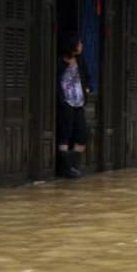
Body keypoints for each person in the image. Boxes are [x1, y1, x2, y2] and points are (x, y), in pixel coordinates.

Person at [56, 34, 91, 179]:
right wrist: (61, 99)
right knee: (65, 133)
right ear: (72, 45)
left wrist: (88, 88)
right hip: (66, 102)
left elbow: (86, 76)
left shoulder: (80, 60)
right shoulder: (59, 61)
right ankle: (66, 168)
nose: (81, 46)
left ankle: (72, 166)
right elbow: (55, 81)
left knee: (82, 134)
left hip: (79, 101)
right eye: (79, 43)